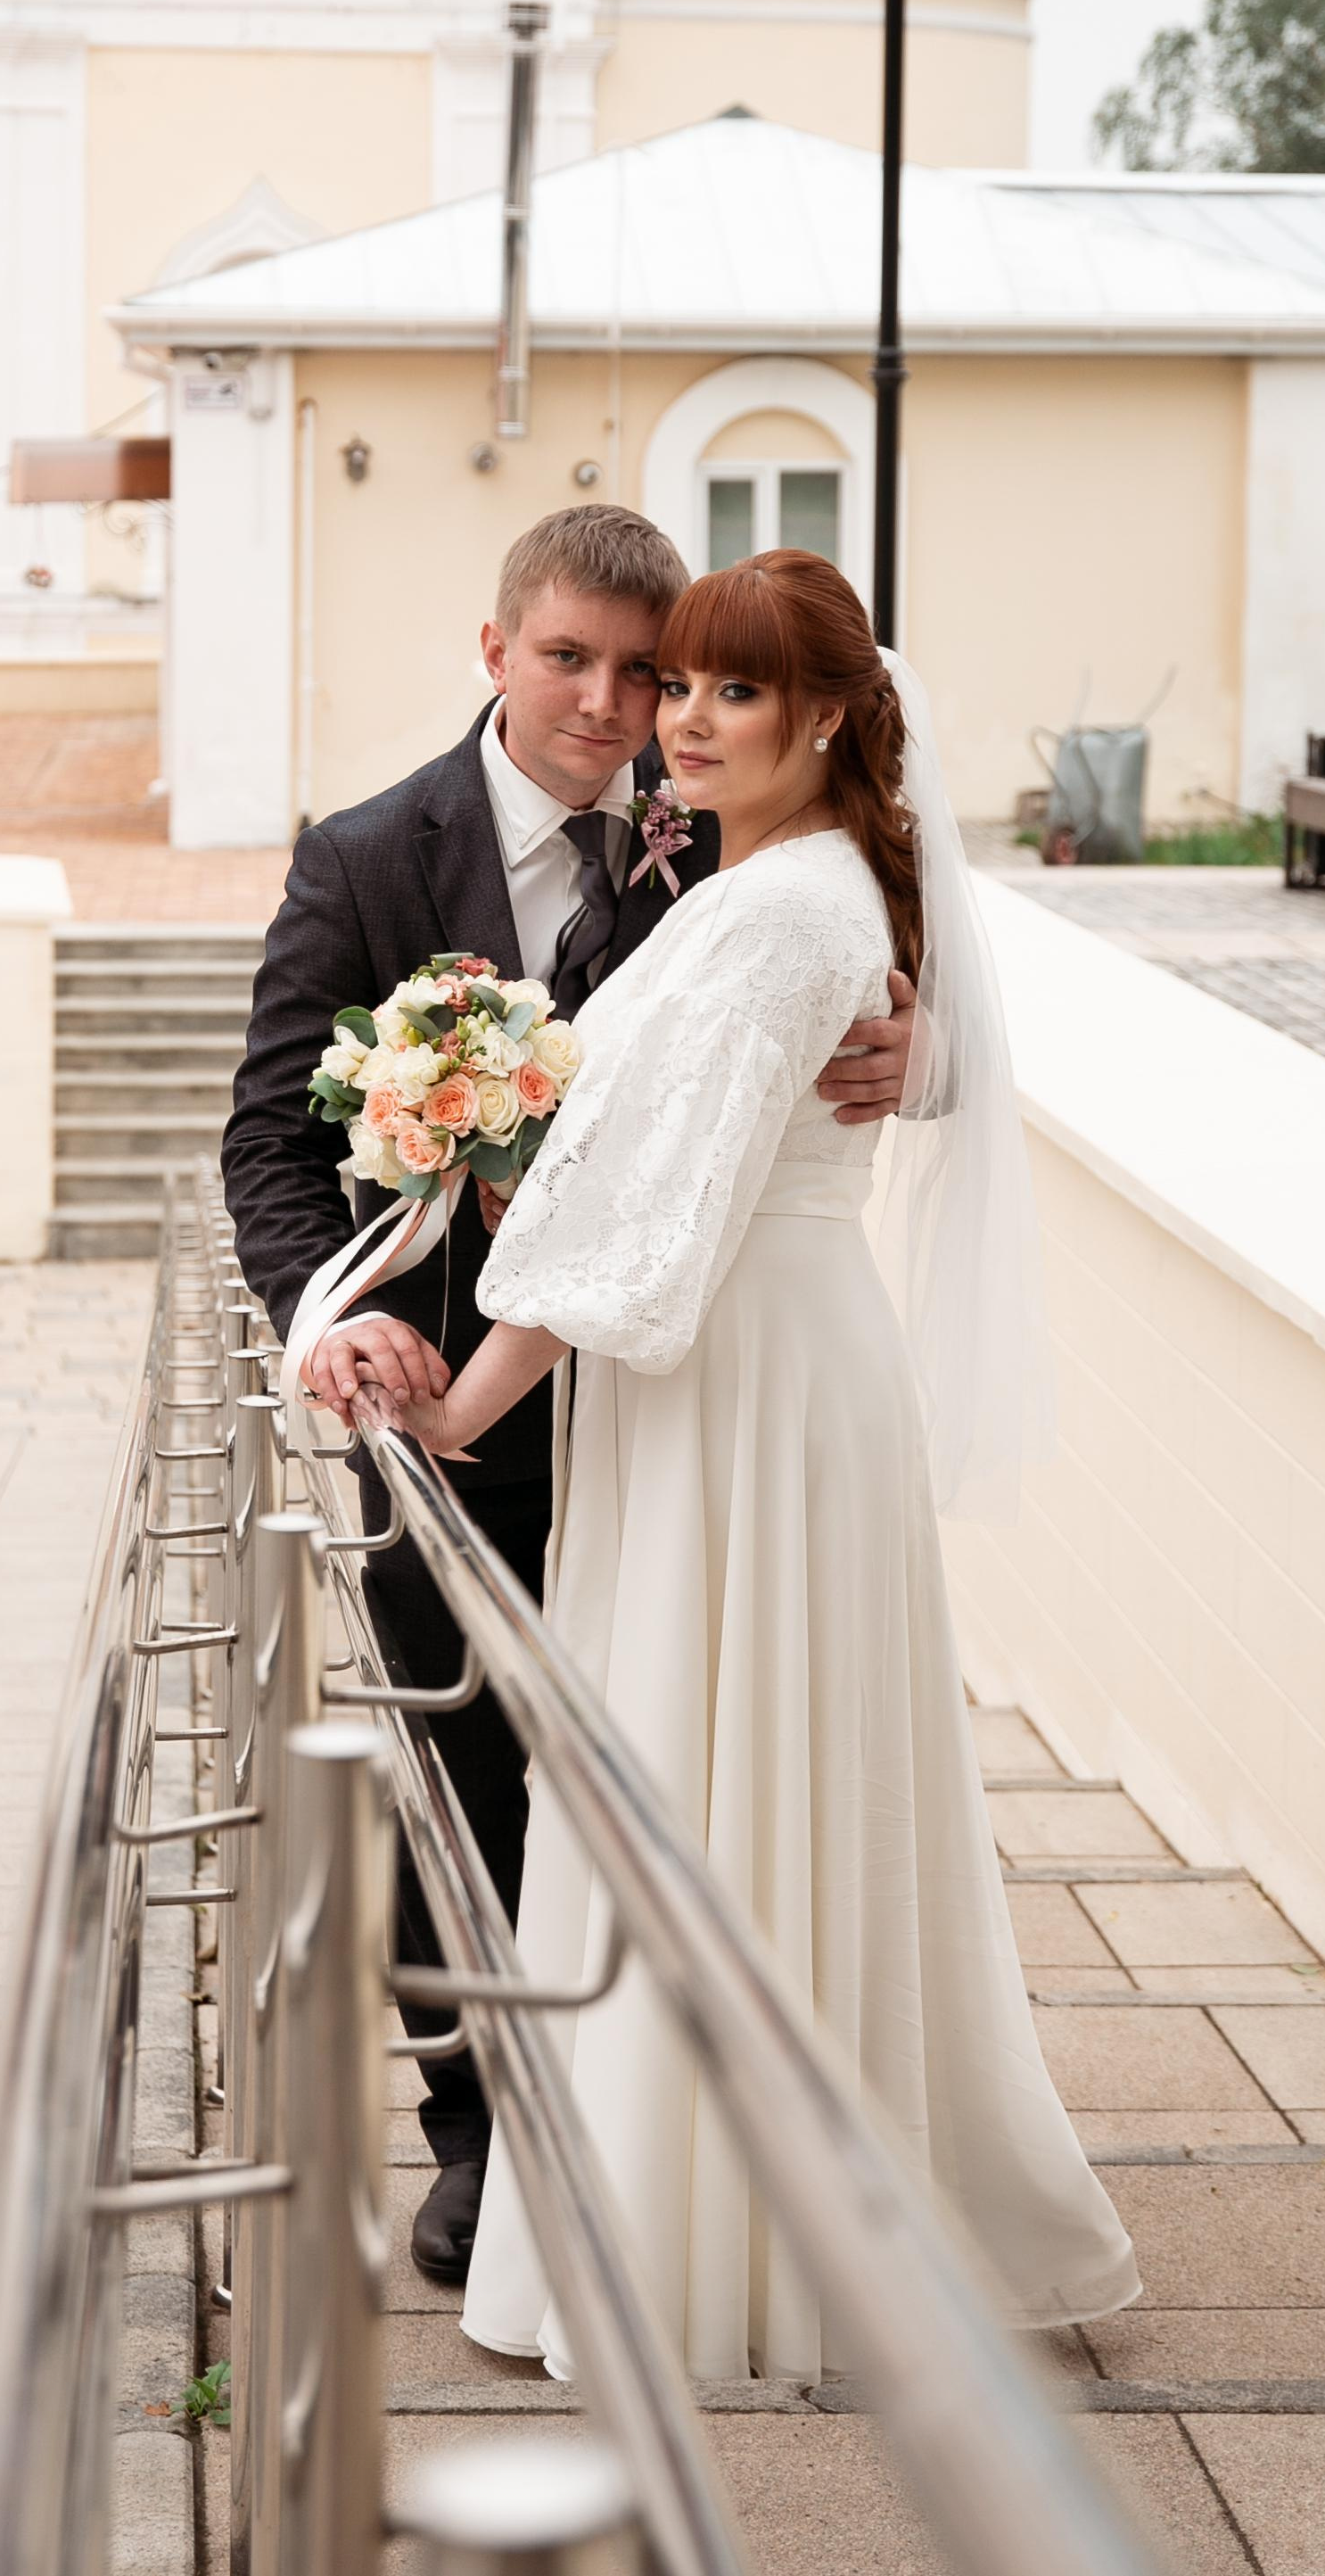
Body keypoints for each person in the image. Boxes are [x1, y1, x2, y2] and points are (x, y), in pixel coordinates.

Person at [393, 548, 1139, 2381]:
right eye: (680, 688)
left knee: (711, 1770)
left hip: (742, 1379)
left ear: (822, 718)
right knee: (722, 1768)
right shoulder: (786, 890)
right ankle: (725, 2198)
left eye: (731, 692)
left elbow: (652, 1211)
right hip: (740, 1369)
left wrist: (461, 1404)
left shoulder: (777, 909)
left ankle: (720, 2242)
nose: (681, 720)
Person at [221, 507, 918, 2283]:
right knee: (446, 1773)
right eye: (575, 661)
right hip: (441, 1393)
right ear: (494, 650)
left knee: (629, 1766)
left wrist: (918, 1044)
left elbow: (829, 981)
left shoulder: (723, 838)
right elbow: (272, 1137)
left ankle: (635, 2124)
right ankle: (477, 2140)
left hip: (658, 1400)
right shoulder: (370, 854)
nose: (617, 705)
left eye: (650, 669)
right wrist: (330, 1331)